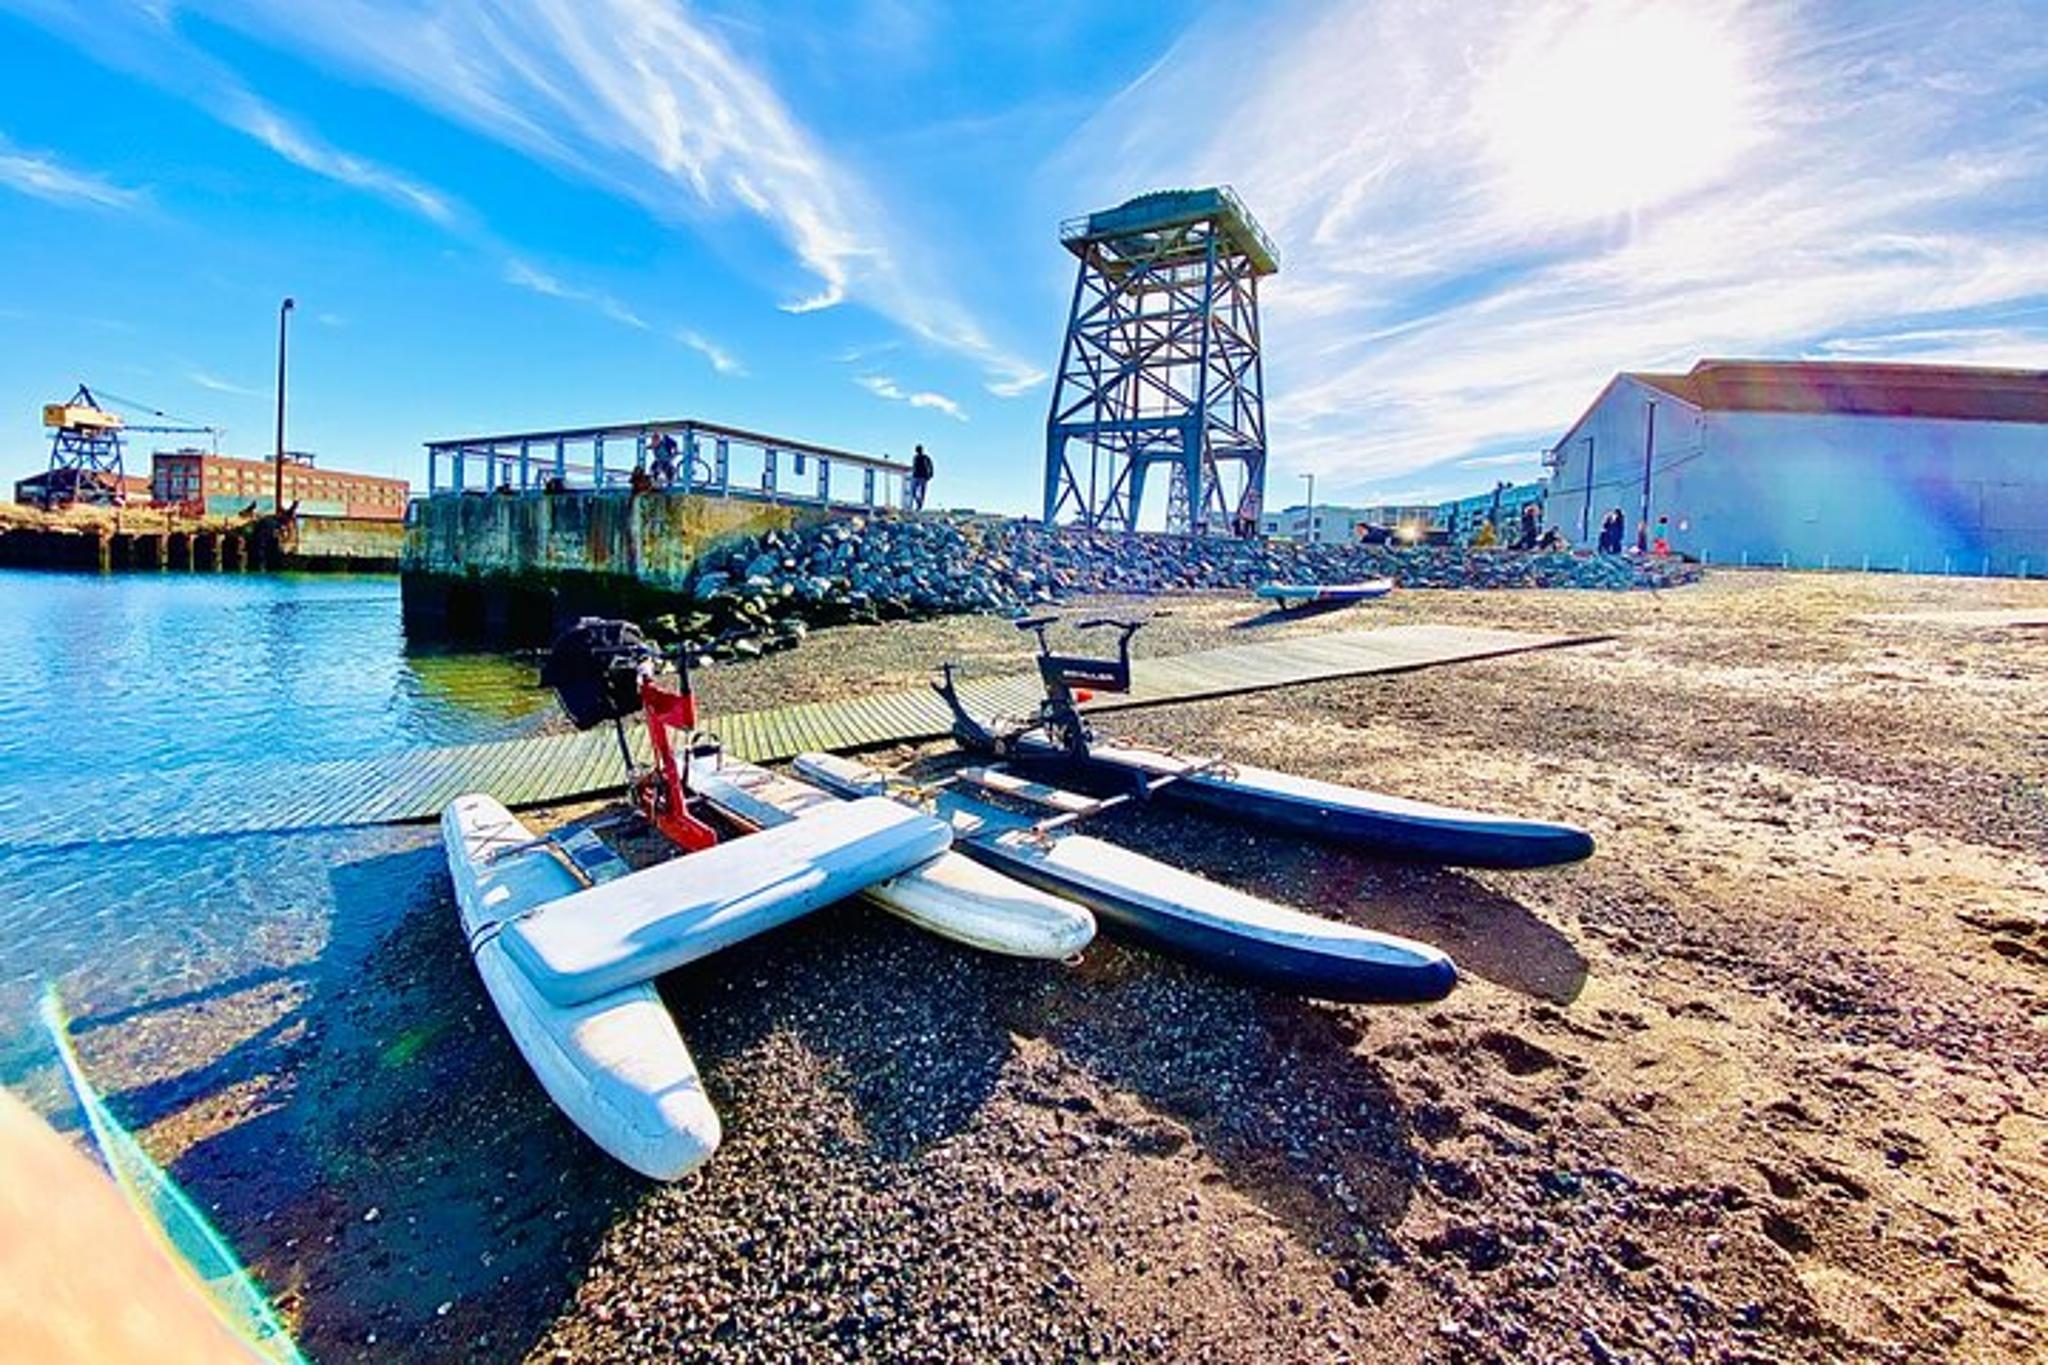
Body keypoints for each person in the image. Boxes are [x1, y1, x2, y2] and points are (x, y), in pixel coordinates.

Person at [908, 444, 934, 511]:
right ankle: (918, 502)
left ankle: (919, 506)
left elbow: (930, 466)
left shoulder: (926, 457)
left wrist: (930, 474)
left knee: (922, 492)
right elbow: (914, 466)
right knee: (912, 492)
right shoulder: (915, 457)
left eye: (918, 450)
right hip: (915, 476)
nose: (917, 451)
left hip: (923, 477)